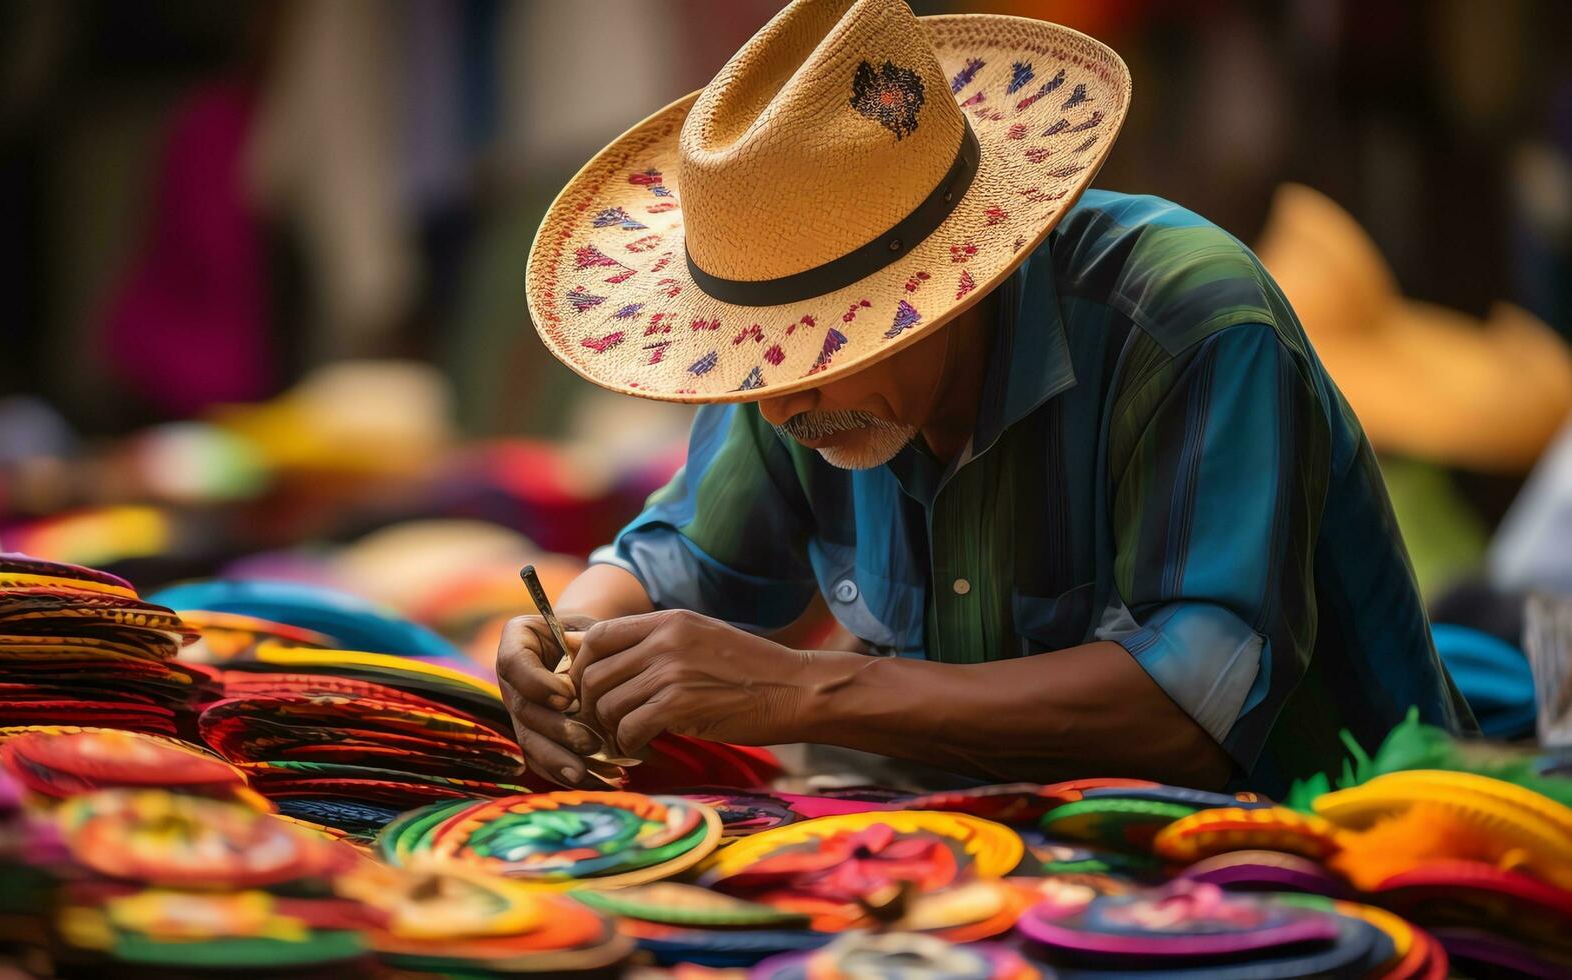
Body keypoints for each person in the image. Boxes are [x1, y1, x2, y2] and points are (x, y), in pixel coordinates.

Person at [502, 0, 1474, 798]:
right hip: (987, 857)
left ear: (951, 276)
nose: (775, 408)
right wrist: (576, 637)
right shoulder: (799, 389)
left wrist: (808, 688)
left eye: (819, 347)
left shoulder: (1186, 324)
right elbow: (675, 561)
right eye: (754, 363)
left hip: (1322, 857)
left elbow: (1191, 707)